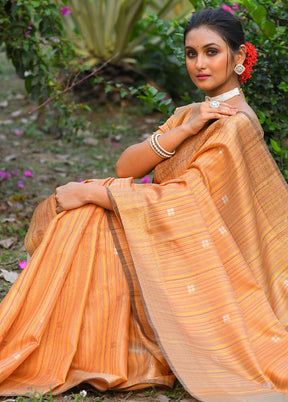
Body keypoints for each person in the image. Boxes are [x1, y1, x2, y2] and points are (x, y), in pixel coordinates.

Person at [1, 7, 288, 402]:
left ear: (239, 57)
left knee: (86, 213)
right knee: (85, 217)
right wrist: (187, 128)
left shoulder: (237, 124)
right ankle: (50, 344)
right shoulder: (192, 113)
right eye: (191, 54)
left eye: (211, 52)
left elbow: (190, 202)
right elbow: (126, 166)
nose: (200, 64)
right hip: (167, 234)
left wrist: (91, 192)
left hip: (200, 259)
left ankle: (57, 346)